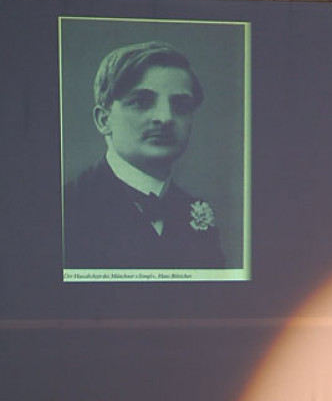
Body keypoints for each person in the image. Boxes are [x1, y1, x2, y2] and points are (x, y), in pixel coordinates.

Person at [64, 41, 223, 269]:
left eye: (180, 105)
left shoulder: (195, 212)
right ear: (104, 120)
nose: (165, 118)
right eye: (141, 102)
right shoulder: (67, 208)